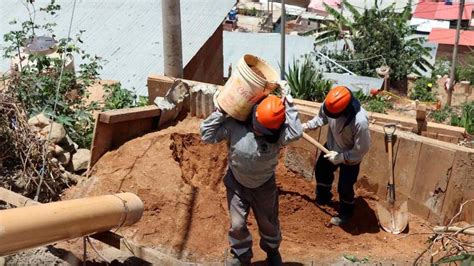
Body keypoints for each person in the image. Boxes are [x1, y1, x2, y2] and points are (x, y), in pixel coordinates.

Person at [200, 91, 302, 265]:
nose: (258, 132)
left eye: (263, 131)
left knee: (268, 224)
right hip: (237, 183)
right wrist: (220, 112)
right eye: (258, 127)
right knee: (237, 225)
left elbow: (297, 133)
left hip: (264, 186)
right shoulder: (235, 126)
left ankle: (272, 251)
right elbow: (207, 134)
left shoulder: (278, 136)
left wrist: (290, 105)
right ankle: (241, 255)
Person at [302, 86, 370, 226]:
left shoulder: (360, 121)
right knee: (321, 170)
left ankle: (346, 212)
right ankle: (323, 197)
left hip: (350, 155)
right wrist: (305, 127)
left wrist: (341, 157)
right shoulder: (330, 104)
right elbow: (320, 119)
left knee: (345, 186)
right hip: (332, 146)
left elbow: (361, 149)